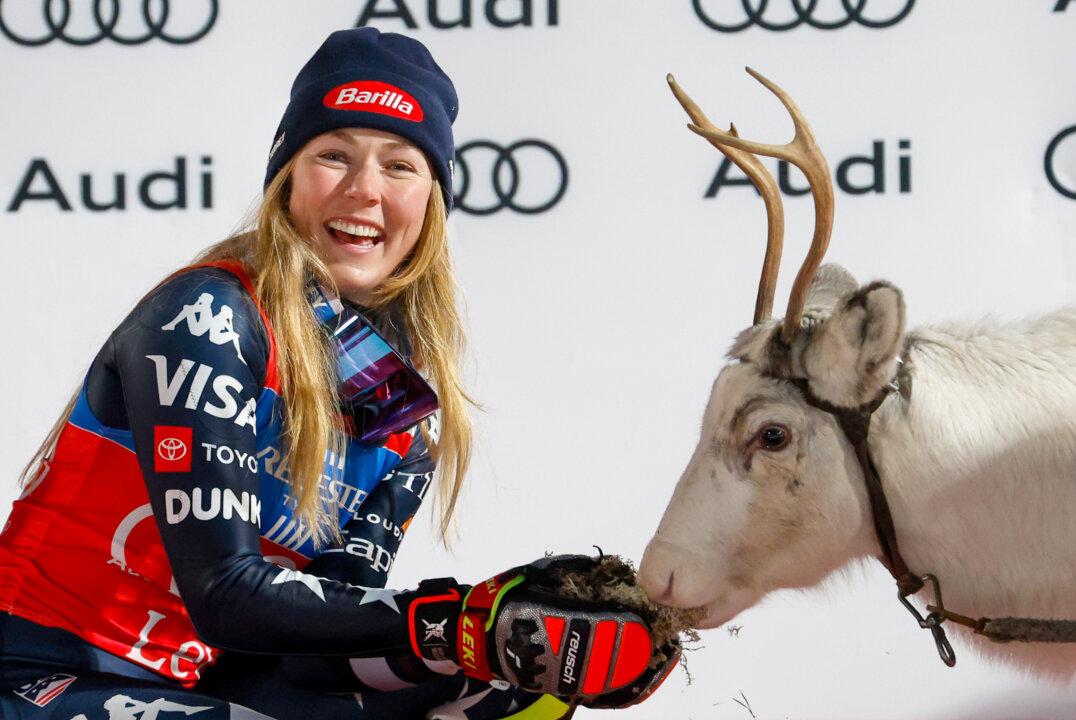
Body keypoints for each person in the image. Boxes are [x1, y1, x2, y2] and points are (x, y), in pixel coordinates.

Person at [0, 28, 678, 720]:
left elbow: (320, 641)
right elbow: (226, 595)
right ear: (287, 178)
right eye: (333, 156)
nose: (363, 191)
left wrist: (500, 629)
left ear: (432, 202)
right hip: (41, 670)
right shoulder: (208, 318)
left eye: (399, 166)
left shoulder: (406, 410)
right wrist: (453, 622)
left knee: (506, 692)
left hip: (208, 686)